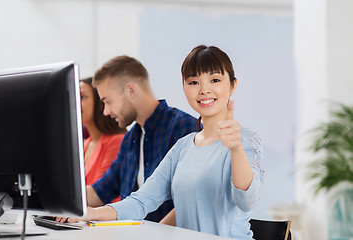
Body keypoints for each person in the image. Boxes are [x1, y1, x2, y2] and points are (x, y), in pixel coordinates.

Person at [76, 45, 265, 239]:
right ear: (184, 88)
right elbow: (141, 201)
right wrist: (91, 213)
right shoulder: (182, 147)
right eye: (193, 82)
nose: (204, 90)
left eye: (215, 80)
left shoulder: (246, 140)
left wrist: (236, 149)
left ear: (233, 85)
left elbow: (246, 201)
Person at [58, 56, 198, 223]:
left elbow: (190, 201)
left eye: (107, 101)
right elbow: (100, 191)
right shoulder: (130, 139)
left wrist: (158, 232)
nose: (105, 112)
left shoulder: (182, 126)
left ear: (131, 90)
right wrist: (55, 200)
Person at [79, 77, 126, 186]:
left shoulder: (117, 142)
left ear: (101, 103)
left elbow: (104, 192)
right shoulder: (87, 144)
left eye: (82, 97)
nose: (75, 103)